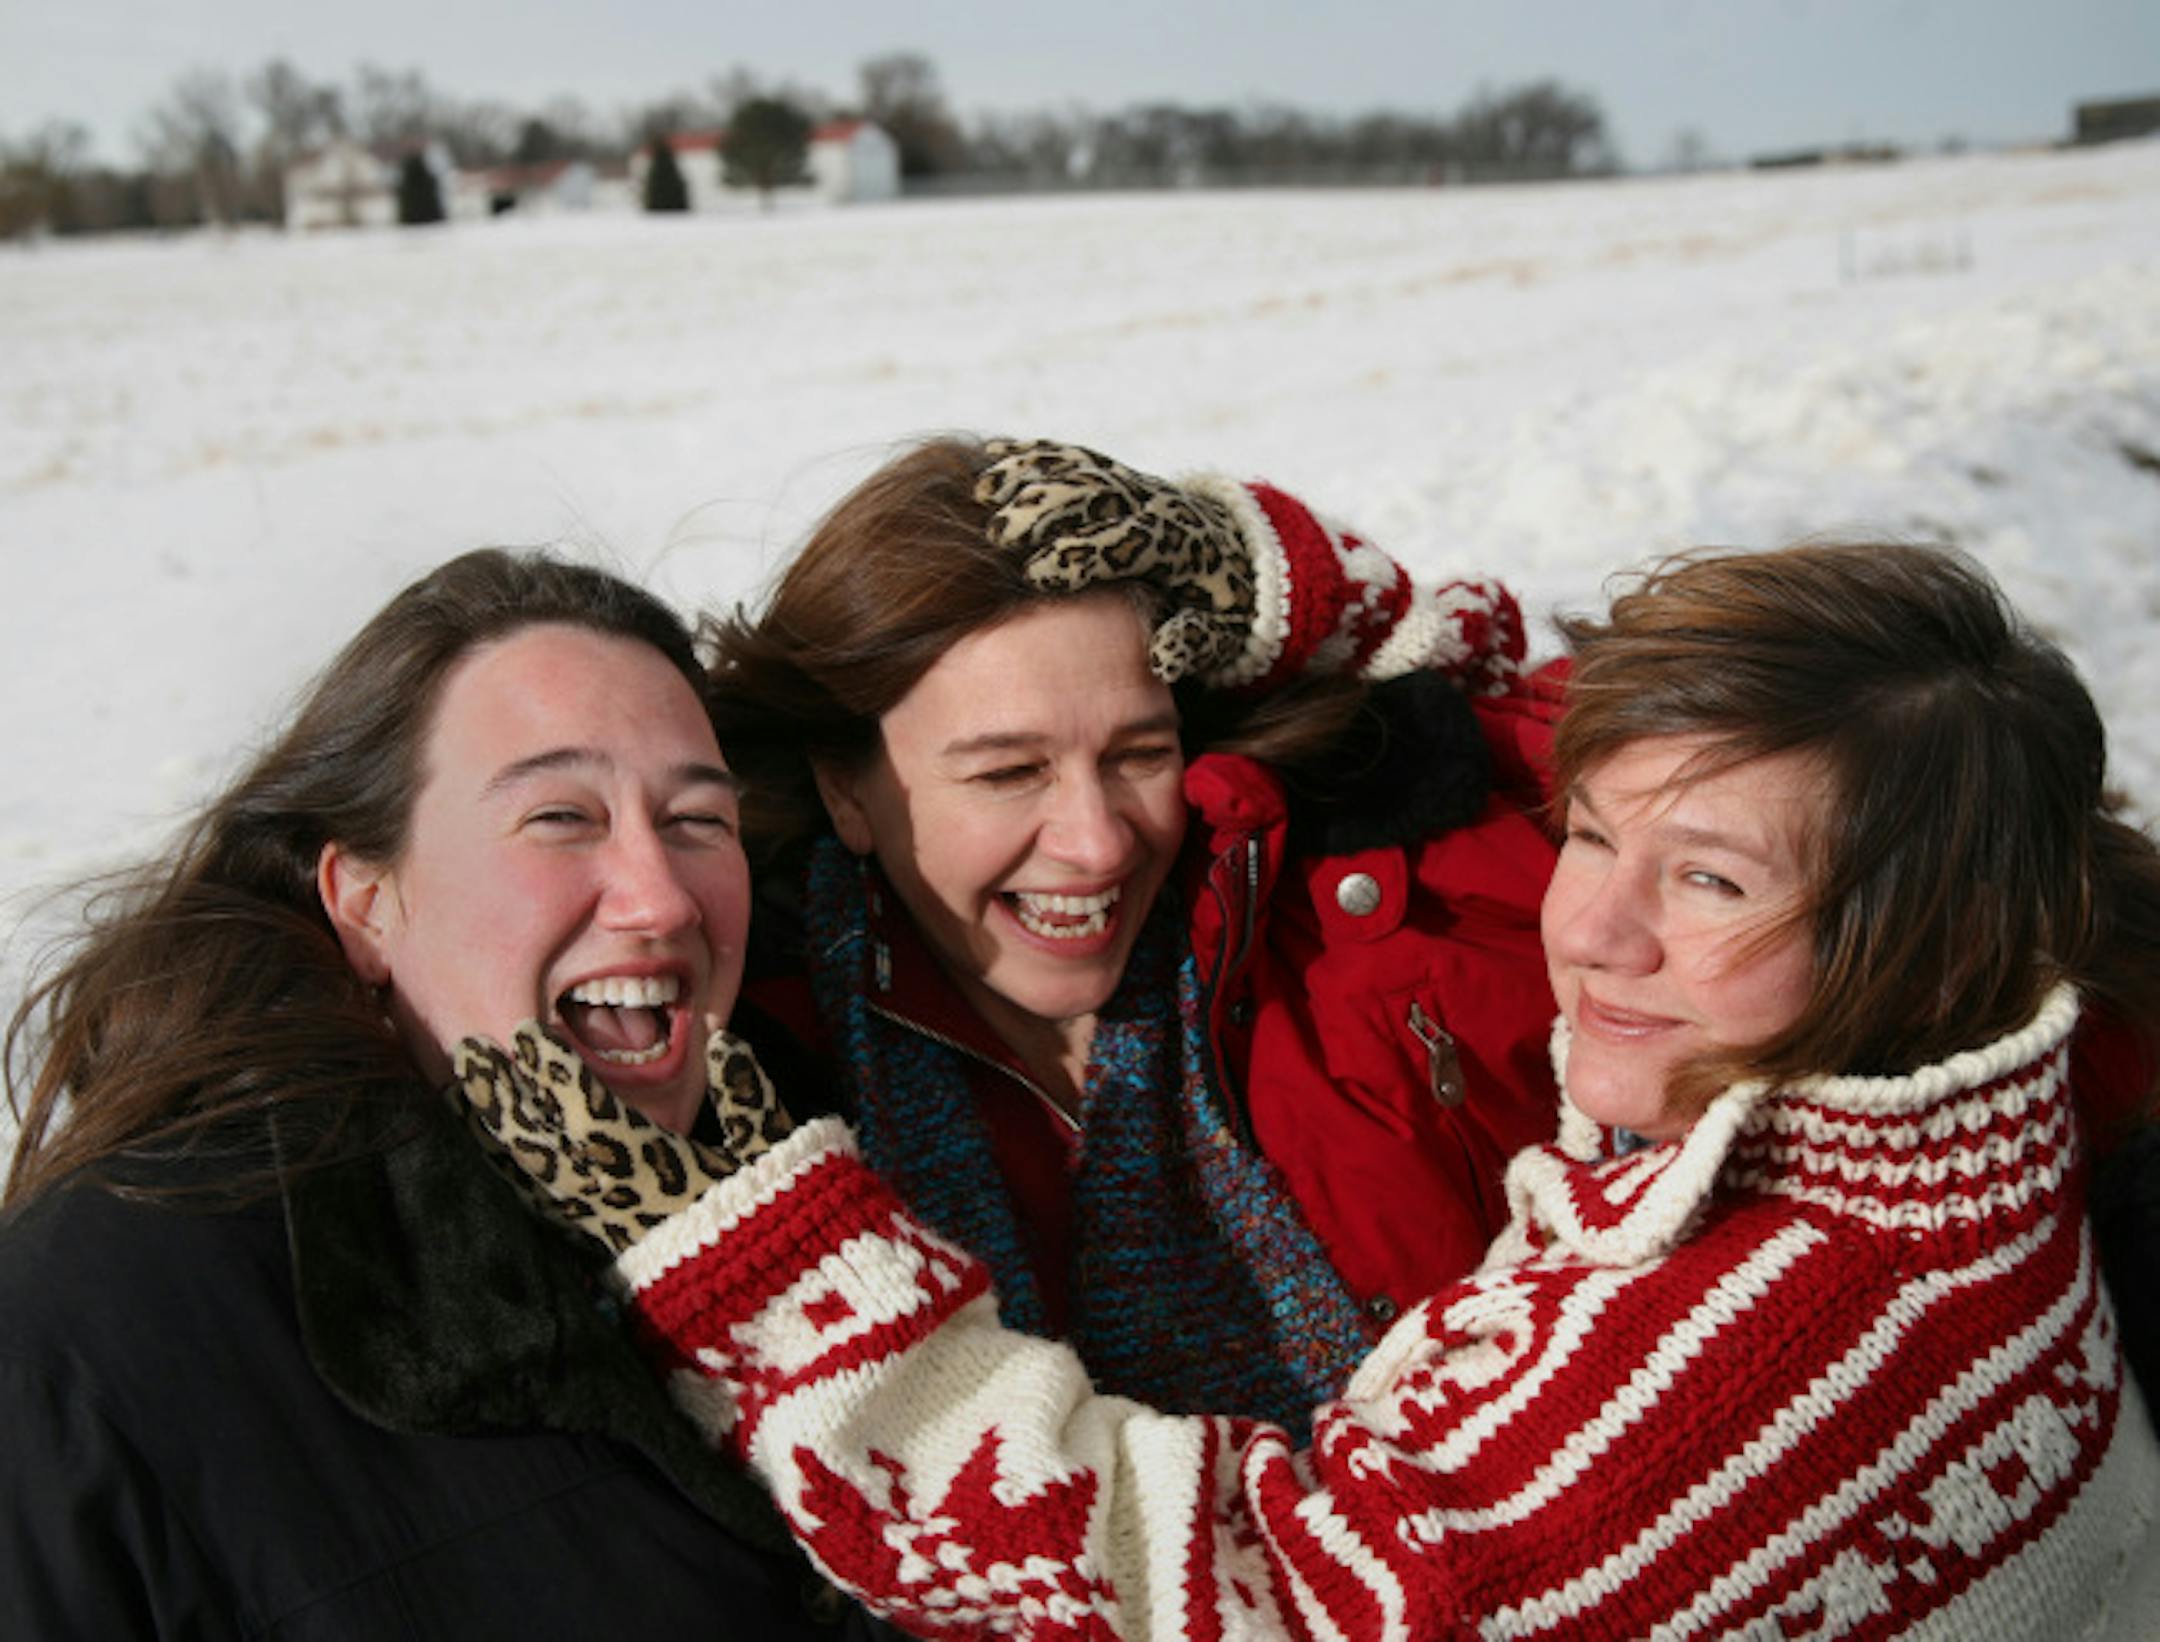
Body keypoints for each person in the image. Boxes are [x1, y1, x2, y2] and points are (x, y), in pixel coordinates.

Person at [455, 541, 2160, 1639]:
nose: (1595, 931)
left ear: (1932, 930)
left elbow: (1213, 1600)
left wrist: (745, 1243)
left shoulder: (1761, 1361)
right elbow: (1697, 731)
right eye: (1588, 839)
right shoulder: (1948, 1136)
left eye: (1708, 884)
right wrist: (1275, 578)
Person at [0, 550, 892, 1637]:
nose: (660, 897)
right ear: (365, 900)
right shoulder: (103, 1324)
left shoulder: (854, 1199)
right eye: (560, 816)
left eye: (698, 821)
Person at [702, 436, 1562, 1432]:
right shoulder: (767, 1083)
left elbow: (1694, 795)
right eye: (1007, 771)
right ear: (846, 787)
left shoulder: (1336, 901)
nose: (1098, 840)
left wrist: (1282, 593)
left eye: (1137, 752)